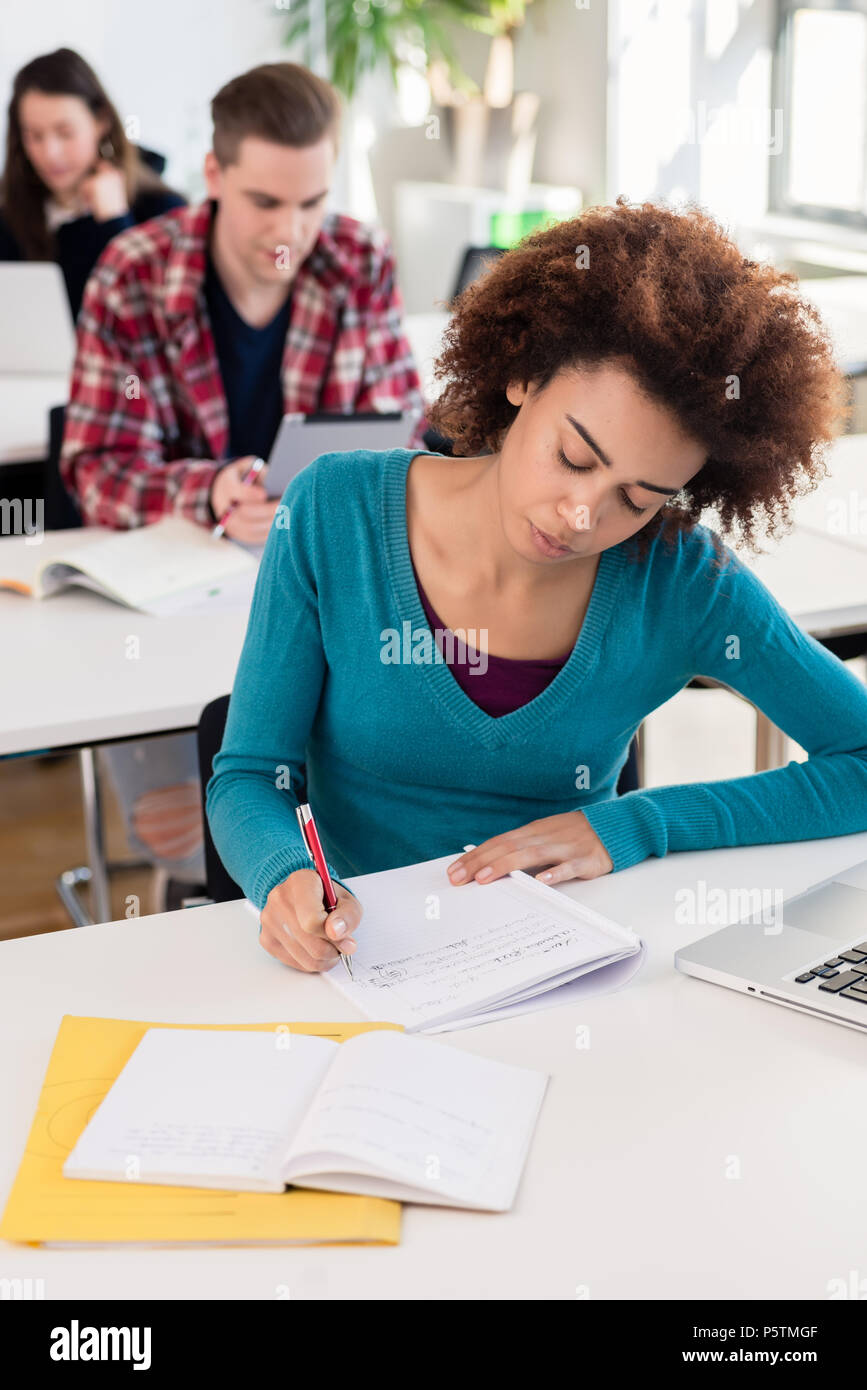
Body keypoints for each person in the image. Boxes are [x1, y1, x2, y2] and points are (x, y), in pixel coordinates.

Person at [206, 197, 867, 974]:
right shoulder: (332, 512)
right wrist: (285, 876)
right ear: (521, 376)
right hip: (361, 963)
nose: (582, 515)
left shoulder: (682, 577)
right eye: (574, 457)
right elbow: (250, 775)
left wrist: (636, 825)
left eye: (637, 497)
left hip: (567, 969)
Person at [59, 61, 427, 895]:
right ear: (214, 176)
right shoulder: (133, 272)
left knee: (362, 814)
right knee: (192, 841)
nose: (290, 230)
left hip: (329, 589)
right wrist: (208, 491)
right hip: (176, 601)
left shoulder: (358, 258)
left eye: (311, 201)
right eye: (266, 202)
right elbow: (96, 470)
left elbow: (405, 441)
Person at [0, 48, 184, 318]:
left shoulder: (162, 211)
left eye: (65, 133)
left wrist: (115, 223)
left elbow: (160, 322)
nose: (50, 153)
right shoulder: (11, 219)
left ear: (101, 121)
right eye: (35, 136)